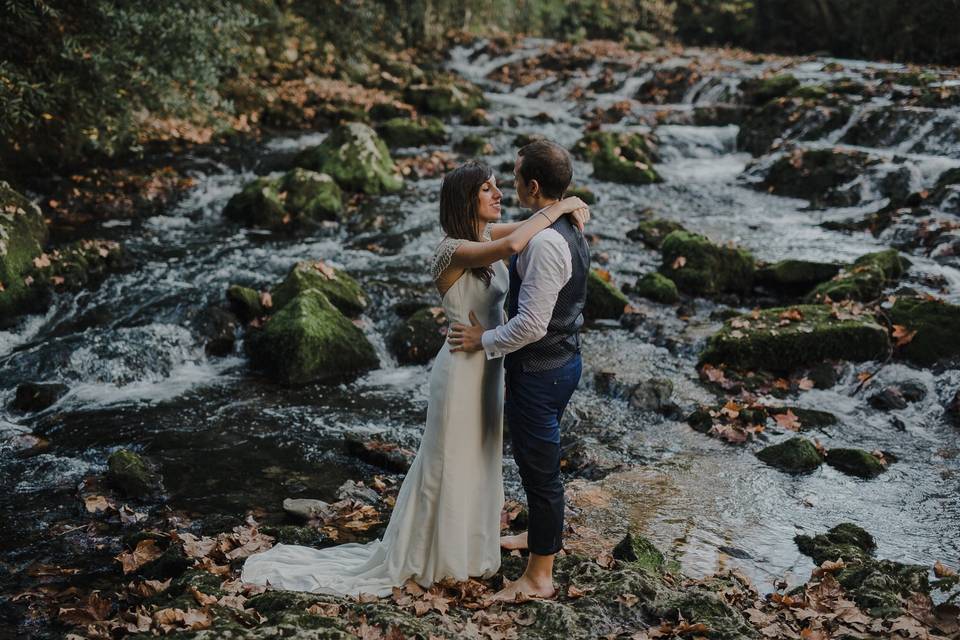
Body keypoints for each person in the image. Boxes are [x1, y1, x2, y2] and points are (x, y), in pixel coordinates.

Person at [240, 159, 589, 596]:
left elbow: (523, 228)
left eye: (500, 186)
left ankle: (467, 549)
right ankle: (432, 553)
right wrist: (562, 204)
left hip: (486, 363)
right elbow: (521, 239)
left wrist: (558, 208)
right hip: (463, 367)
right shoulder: (452, 250)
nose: (498, 194)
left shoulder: (484, 234)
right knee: (447, 462)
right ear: (466, 200)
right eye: (487, 189)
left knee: (478, 461)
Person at [447, 140, 590, 601]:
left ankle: (539, 576)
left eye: (509, 179)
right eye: (490, 187)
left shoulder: (544, 242)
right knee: (537, 465)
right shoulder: (558, 226)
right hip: (561, 361)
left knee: (540, 471)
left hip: (542, 369)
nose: (505, 188)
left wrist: (483, 339)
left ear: (532, 186)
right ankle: (539, 539)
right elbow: (510, 241)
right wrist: (568, 201)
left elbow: (531, 325)